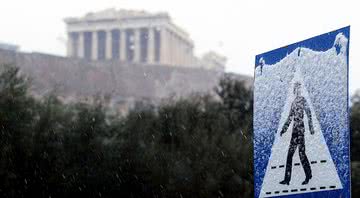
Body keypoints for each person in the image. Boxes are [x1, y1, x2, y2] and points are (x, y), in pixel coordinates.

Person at [279, 82, 315, 185]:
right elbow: (290, 118)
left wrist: (311, 127)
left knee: (301, 154)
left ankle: (308, 175)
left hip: (301, 130)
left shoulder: (303, 100)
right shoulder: (293, 103)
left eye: (300, 88)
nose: (298, 91)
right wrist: (284, 129)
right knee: (290, 155)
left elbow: (309, 113)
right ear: (294, 90)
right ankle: (287, 180)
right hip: (294, 131)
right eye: (296, 89)